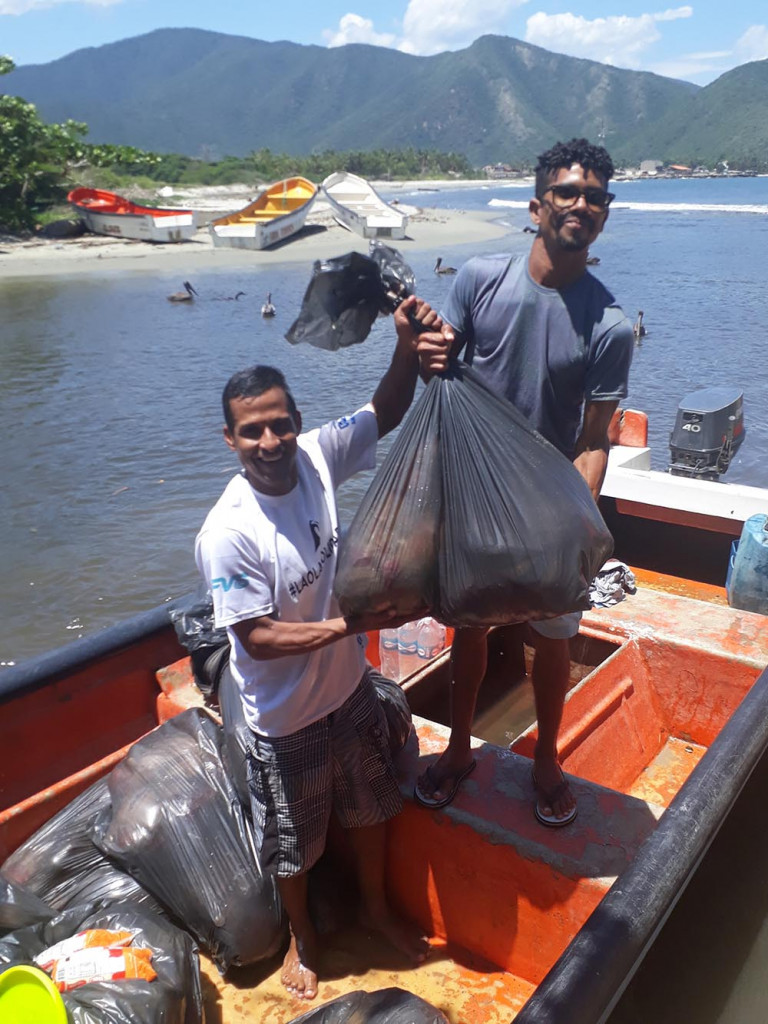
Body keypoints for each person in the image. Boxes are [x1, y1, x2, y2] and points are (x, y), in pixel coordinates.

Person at [195, 296, 440, 1000]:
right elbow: (257, 638)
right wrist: (350, 626)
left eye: (279, 424)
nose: (270, 442)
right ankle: (303, 938)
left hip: (349, 695)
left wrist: (402, 347)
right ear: (229, 439)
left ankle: (374, 910)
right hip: (285, 720)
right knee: (295, 845)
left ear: (297, 421)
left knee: (371, 811)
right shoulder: (230, 530)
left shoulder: (316, 457)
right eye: (252, 432)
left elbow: (382, 412)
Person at [414, 138, 634, 826]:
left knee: (553, 637)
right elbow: (440, 378)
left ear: (606, 214)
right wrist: (421, 348)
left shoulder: (612, 324)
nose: (581, 205)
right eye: (568, 193)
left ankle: (546, 759)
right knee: (470, 630)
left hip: (549, 503)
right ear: (538, 206)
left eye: (595, 197)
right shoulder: (480, 280)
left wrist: (576, 526)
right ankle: (456, 748)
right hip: (474, 496)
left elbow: (594, 438)